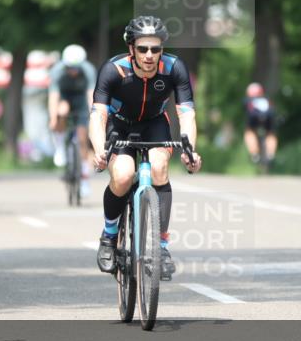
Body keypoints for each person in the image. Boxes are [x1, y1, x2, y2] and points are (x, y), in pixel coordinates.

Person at [89, 16, 202, 280]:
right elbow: (98, 115)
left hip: (154, 123)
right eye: (143, 49)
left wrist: (190, 151)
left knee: (160, 168)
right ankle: (109, 236)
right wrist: (99, 150)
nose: (149, 55)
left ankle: (161, 248)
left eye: (155, 49)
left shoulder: (174, 68)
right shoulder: (113, 70)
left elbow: (186, 114)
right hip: (119, 124)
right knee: (123, 175)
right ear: (132, 49)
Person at [48, 44, 96, 197]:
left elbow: (91, 95)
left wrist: (93, 116)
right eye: (69, 67)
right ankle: (60, 148)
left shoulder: (88, 70)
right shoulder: (57, 71)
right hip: (65, 97)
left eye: (76, 68)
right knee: (61, 111)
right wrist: (53, 118)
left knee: (82, 138)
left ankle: (84, 179)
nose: (73, 71)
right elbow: (53, 96)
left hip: (81, 99)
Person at [243, 82, 278, 166]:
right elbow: (273, 110)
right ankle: (270, 154)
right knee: (271, 134)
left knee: (249, 132)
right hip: (268, 118)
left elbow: (247, 110)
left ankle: (254, 154)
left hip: (254, 118)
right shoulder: (267, 99)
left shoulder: (248, 100)